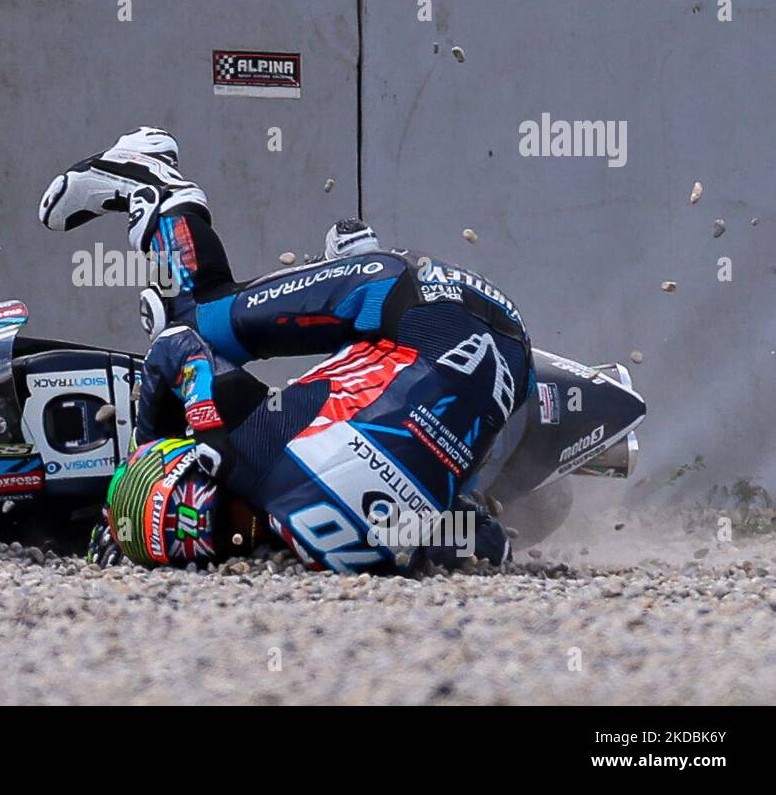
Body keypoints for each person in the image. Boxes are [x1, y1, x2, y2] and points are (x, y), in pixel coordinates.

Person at [42, 128, 527, 573]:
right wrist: (157, 441)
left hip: (501, 357)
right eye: (220, 544)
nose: (236, 542)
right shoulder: (243, 454)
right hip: (424, 305)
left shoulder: (293, 512)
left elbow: (483, 544)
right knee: (191, 318)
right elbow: (175, 345)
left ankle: (146, 177)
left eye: (221, 536)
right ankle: (173, 197)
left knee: (207, 328)